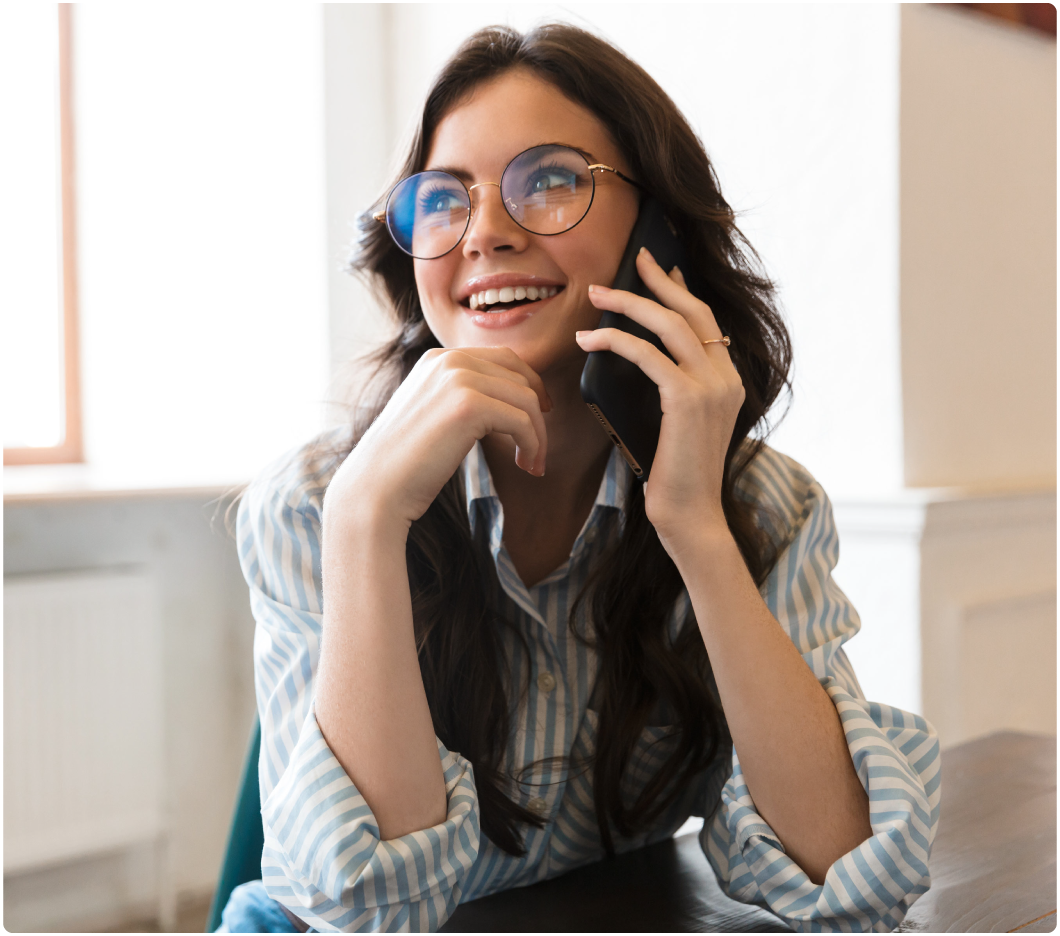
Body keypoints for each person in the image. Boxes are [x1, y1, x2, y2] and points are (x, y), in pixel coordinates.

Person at [221, 23, 939, 934]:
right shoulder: (318, 502)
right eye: (444, 200)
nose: (483, 232)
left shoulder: (763, 505)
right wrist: (367, 521)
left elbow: (850, 881)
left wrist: (695, 525)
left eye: (550, 180)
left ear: (658, 235)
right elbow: (370, 916)